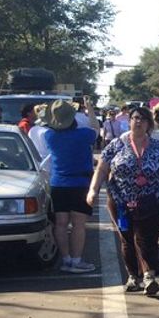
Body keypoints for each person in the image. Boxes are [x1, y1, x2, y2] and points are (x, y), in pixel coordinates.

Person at [87, 105, 159, 295]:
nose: (138, 122)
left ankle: (149, 275)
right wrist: (93, 191)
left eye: (143, 119)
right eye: (135, 118)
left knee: (146, 237)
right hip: (121, 201)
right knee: (127, 238)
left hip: (152, 201)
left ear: (149, 125)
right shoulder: (116, 145)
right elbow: (102, 169)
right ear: (129, 121)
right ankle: (133, 276)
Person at [43, 100, 98, 273]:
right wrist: (89, 109)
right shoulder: (84, 134)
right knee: (78, 224)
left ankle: (65, 259)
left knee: (60, 224)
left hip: (58, 183)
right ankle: (76, 260)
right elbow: (96, 128)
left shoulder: (49, 136)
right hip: (80, 183)